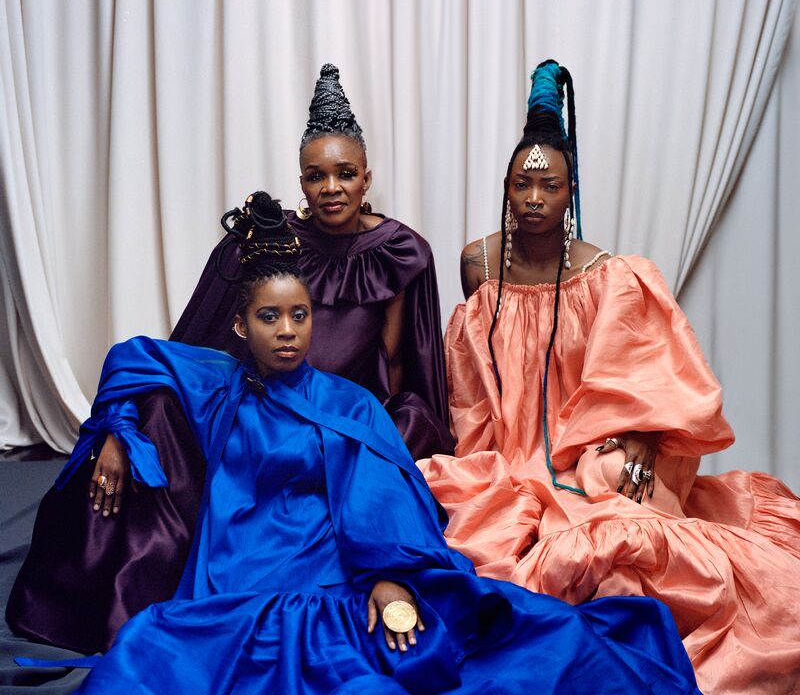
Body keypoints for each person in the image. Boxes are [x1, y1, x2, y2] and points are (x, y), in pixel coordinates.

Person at [12, 195, 700, 695]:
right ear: (242, 326)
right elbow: (134, 357)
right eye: (269, 317)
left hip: (334, 577)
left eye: (300, 315)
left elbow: (384, 496)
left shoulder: (350, 404)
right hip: (231, 583)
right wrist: (116, 433)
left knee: (385, 671)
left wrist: (390, 580)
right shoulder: (218, 382)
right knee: (142, 661)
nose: (288, 331)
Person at [418, 60, 800, 695]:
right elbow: (476, 383)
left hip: (586, 449)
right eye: (521, 184)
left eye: (551, 186)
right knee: (469, 523)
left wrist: (639, 440)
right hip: (508, 453)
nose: (534, 199)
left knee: (619, 514)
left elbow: (643, 376)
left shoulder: (612, 275)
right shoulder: (477, 264)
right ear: (506, 187)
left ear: (572, 193)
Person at [173, 63, 453, 460]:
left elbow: (393, 360)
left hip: (346, 408)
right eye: (316, 176)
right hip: (272, 400)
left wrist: (377, 427)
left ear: (366, 179)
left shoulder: (398, 250)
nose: (332, 188)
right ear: (302, 182)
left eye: (346, 173)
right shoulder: (271, 235)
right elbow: (217, 334)